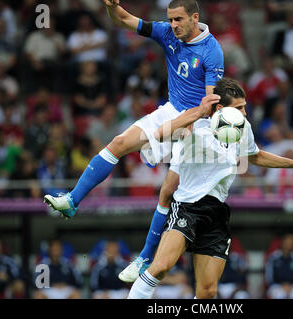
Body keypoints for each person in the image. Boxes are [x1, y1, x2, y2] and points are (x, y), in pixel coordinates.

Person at [44, 0, 224, 281]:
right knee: (118, 143)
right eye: (171, 20)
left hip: (197, 126)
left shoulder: (212, 50)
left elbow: (210, 103)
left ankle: (144, 259)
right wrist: (111, 7)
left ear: (195, 17)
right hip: (170, 111)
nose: (173, 25)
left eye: (178, 20)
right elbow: (125, 20)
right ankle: (71, 200)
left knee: (167, 192)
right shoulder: (166, 32)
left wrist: (188, 124)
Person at [127, 78, 293, 299]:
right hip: (187, 206)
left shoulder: (241, 127)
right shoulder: (194, 123)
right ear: (220, 109)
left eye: (245, 107)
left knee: (208, 291)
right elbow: (159, 134)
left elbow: (255, 155)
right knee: (161, 267)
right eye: (239, 108)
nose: (245, 113)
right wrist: (198, 112)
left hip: (217, 211)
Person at [265, 234, 293, 299]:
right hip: (276, 286)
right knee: (278, 294)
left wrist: (291, 286)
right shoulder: (273, 258)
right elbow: (269, 277)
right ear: (282, 243)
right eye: (287, 242)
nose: (289, 245)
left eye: (291, 243)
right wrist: (282, 285)